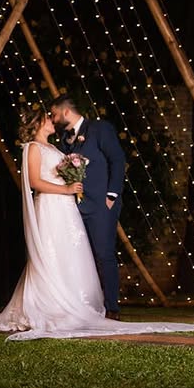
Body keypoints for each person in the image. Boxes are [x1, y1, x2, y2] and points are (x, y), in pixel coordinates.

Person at [0, 105, 194, 340]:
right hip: (49, 206)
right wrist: (65, 188)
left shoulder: (54, 146)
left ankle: (72, 304)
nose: (51, 121)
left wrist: (75, 181)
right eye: (47, 118)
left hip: (65, 209)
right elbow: (35, 182)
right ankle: (48, 307)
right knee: (50, 253)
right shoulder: (33, 148)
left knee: (69, 255)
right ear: (37, 124)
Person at [50, 93, 124, 319]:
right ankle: (85, 306)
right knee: (80, 257)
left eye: (54, 114)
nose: (52, 119)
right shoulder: (63, 139)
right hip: (73, 207)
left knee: (104, 254)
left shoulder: (99, 129)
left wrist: (111, 195)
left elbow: (118, 160)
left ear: (65, 112)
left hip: (102, 204)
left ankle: (112, 308)